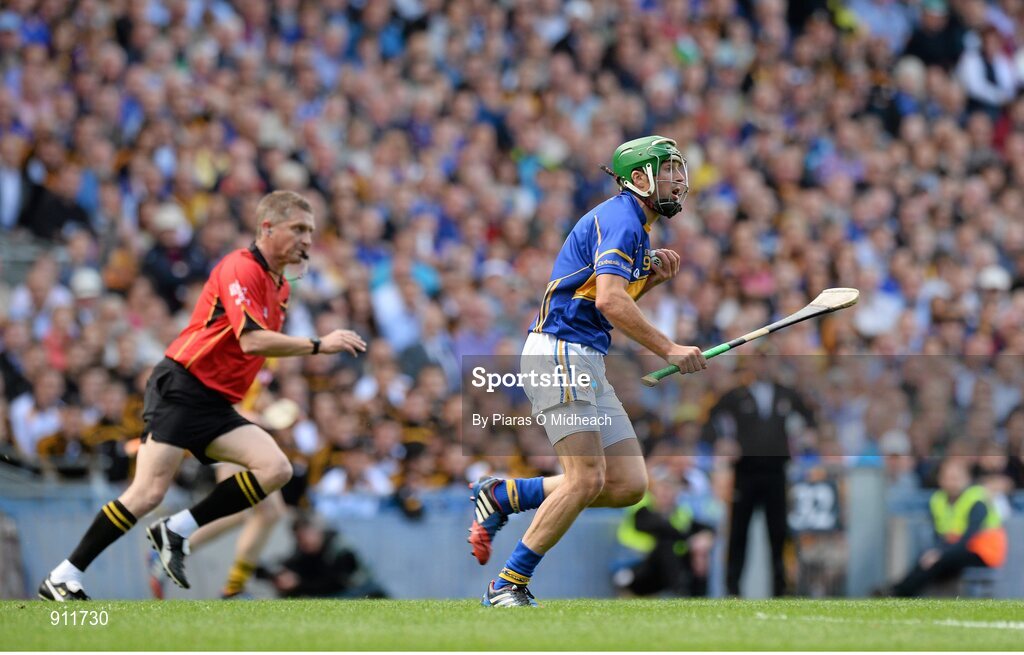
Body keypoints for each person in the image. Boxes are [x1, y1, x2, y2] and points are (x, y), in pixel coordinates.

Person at [38, 190, 367, 601]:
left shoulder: (280, 286)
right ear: (267, 228)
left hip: (216, 402)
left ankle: (176, 530)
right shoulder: (240, 268)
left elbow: (249, 354)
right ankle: (64, 576)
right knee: (146, 494)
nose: (307, 239)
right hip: (183, 387)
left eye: (311, 231)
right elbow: (251, 342)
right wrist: (320, 344)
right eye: (298, 228)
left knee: (275, 469)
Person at [469, 135, 707, 607]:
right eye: (668, 170)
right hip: (560, 353)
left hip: (582, 355)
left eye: (681, 170)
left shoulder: (635, 226)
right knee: (583, 478)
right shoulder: (623, 221)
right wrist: (670, 348)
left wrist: (650, 282)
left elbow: (598, 303)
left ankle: (506, 493)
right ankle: (508, 584)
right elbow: (609, 300)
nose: (679, 180)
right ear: (638, 178)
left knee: (626, 484)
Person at [703, 346, 817, 597]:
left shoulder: (787, 394)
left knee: (778, 532)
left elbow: (810, 420)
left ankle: (781, 587)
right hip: (746, 471)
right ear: (750, 363)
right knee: (738, 532)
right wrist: (722, 441)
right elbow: (710, 421)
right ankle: (732, 588)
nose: (764, 366)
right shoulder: (736, 395)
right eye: (759, 360)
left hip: (777, 471)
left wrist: (805, 438)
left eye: (768, 360)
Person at [888, 458, 1007, 597]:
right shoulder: (938, 500)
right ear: (940, 480)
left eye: (956, 478)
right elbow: (940, 535)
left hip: (982, 552)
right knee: (927, 559)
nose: (952, 483)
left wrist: (940, 553)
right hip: (955, 550)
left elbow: (968, 538)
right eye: (948, 478)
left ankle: (898, 592)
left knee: (936, 561)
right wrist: (937, 552)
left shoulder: (976, 499)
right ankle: (898, 591)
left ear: (967, 479)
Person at [614, 468, 715, 597]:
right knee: (666, 544)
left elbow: (707, 528)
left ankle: (699, 599)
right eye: (663, 489)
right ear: (654, 490)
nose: (666, 494)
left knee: (698, 551)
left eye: (670, 490)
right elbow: (662, 528)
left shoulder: (680, 513)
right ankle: (679, 593)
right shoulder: (642, 508)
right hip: (632, 566)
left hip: (660, 571)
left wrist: (703, 541)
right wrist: (692, 541)